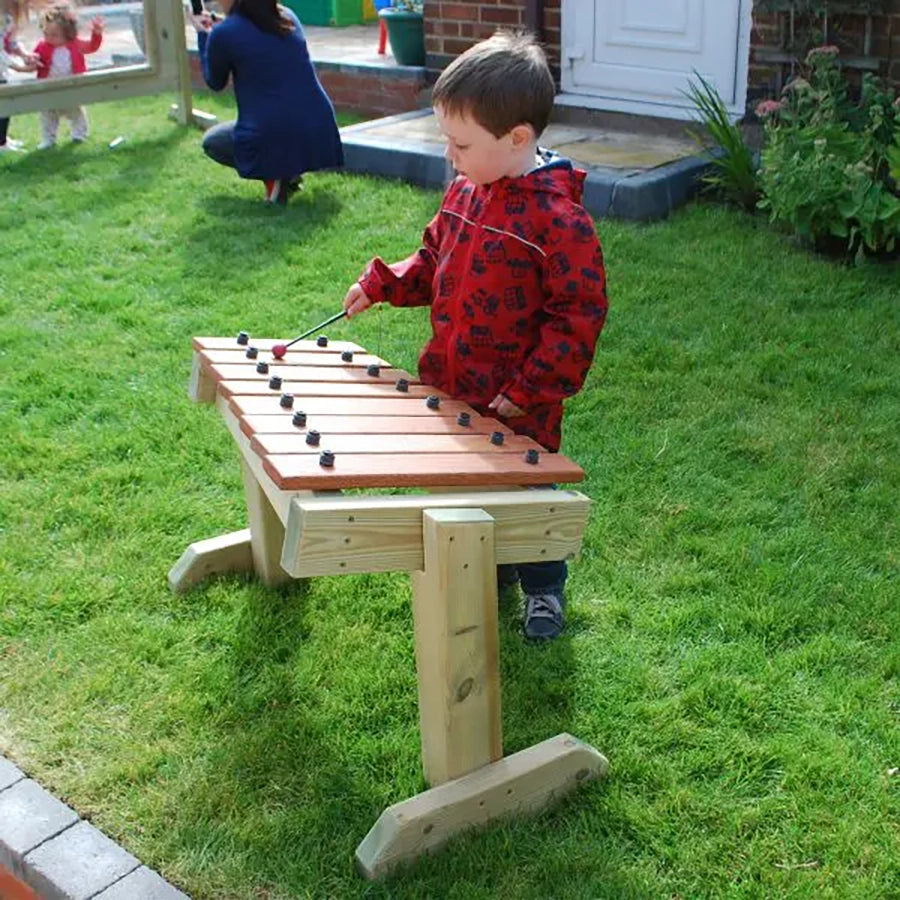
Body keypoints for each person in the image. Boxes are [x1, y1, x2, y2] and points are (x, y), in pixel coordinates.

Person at [342, 32, 608, 641]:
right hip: (453, 384)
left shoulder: (560, 221)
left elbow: (579, 316)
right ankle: (486, 566)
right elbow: (434, 258)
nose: (450, 154)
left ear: (517, 138)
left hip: (520, 402)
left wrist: (532, 388)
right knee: (465, 486)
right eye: (446, 139)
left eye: (460, 143)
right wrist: (384, 283)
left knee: (528, 497)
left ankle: (543, 589)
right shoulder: (465, 189)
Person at [191, 0, 343, 206]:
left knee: (214, 141)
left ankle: (274, 176)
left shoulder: (225, 33)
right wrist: (221, 24)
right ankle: (288, 172)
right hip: (320, 129)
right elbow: (258, 36)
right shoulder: (288, 16)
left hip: (272, 133)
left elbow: (215, 82)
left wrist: (203, 34)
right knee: (280, 121)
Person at [29, 3, 103, 149]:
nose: (49, 38)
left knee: (75, 112)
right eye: (46, 34)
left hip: (72, 85)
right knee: (48, 115)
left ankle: (79, 135)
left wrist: (96, 34)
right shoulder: (43, 46)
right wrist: (30, 59)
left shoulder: (75, 44)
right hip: (48, 87)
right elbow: (34, 58)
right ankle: (48, 139)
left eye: (54, 35)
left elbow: (92, 47)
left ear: (68, 34)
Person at [1, 1, 37, 152]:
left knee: (5, 102)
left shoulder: (7, 15)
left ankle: (2, 139)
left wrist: (24, 54)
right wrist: (19, 68)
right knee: (3, 103)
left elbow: (10, 42)